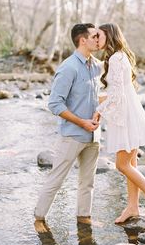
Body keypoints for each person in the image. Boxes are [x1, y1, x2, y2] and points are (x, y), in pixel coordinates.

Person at [34, 23, 101, 233]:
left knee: (87, 182)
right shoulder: (68, 67)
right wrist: (81, 122)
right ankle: (39, 219)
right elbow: (54, 104)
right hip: (72, 135)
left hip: (93, 136)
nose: (99, 39)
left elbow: (99, 96)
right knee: (56, 178)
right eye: (95, 36)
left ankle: (84, 218)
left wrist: (100, 112)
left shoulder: (97, 66)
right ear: (83, 40)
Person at [93, 23, 145, 223]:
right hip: (130, 113)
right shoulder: (120, 56)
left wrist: (98, 111)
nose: (97, 39)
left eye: (99, 35)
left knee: (122, 165)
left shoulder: (115, 58)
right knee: (131, 163)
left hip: (126, 117)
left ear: (109, 35)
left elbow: (117, 95)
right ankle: (132, 206)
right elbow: (119, 92)